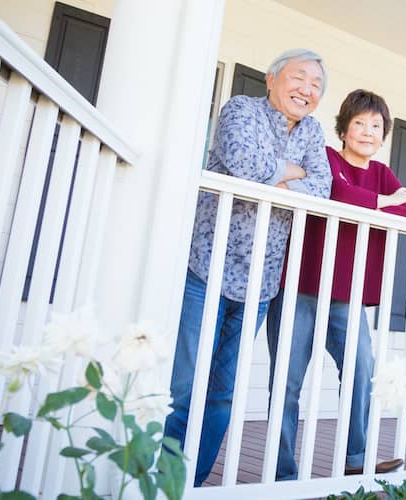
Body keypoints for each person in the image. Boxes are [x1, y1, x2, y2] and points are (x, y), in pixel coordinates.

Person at [165, 48, 333, 487]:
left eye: (316, 85)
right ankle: (158, 481)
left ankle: (190, 484)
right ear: (272, 78)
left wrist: (278, 174)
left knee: (222, 394)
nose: (307, 90)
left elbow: (322, 190)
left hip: (261, 283)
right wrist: (290, 172)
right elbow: (242, 163)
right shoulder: (241, 108)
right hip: (207, 268)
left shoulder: (313, 132)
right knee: (184, 387)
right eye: (299, 78)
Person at [266, 89, 406, 480]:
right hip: (300, 284)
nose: (367, 132)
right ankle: (281, 471)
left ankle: (356, 456)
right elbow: (336, 192)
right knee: (287, 380)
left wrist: (373, 200)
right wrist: (383, 203)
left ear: (383, 134)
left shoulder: (382, 173)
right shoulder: (328, 158)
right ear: (344, 127)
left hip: (347, 296)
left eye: (376, 126)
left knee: (361, 369)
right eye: (359, 123)